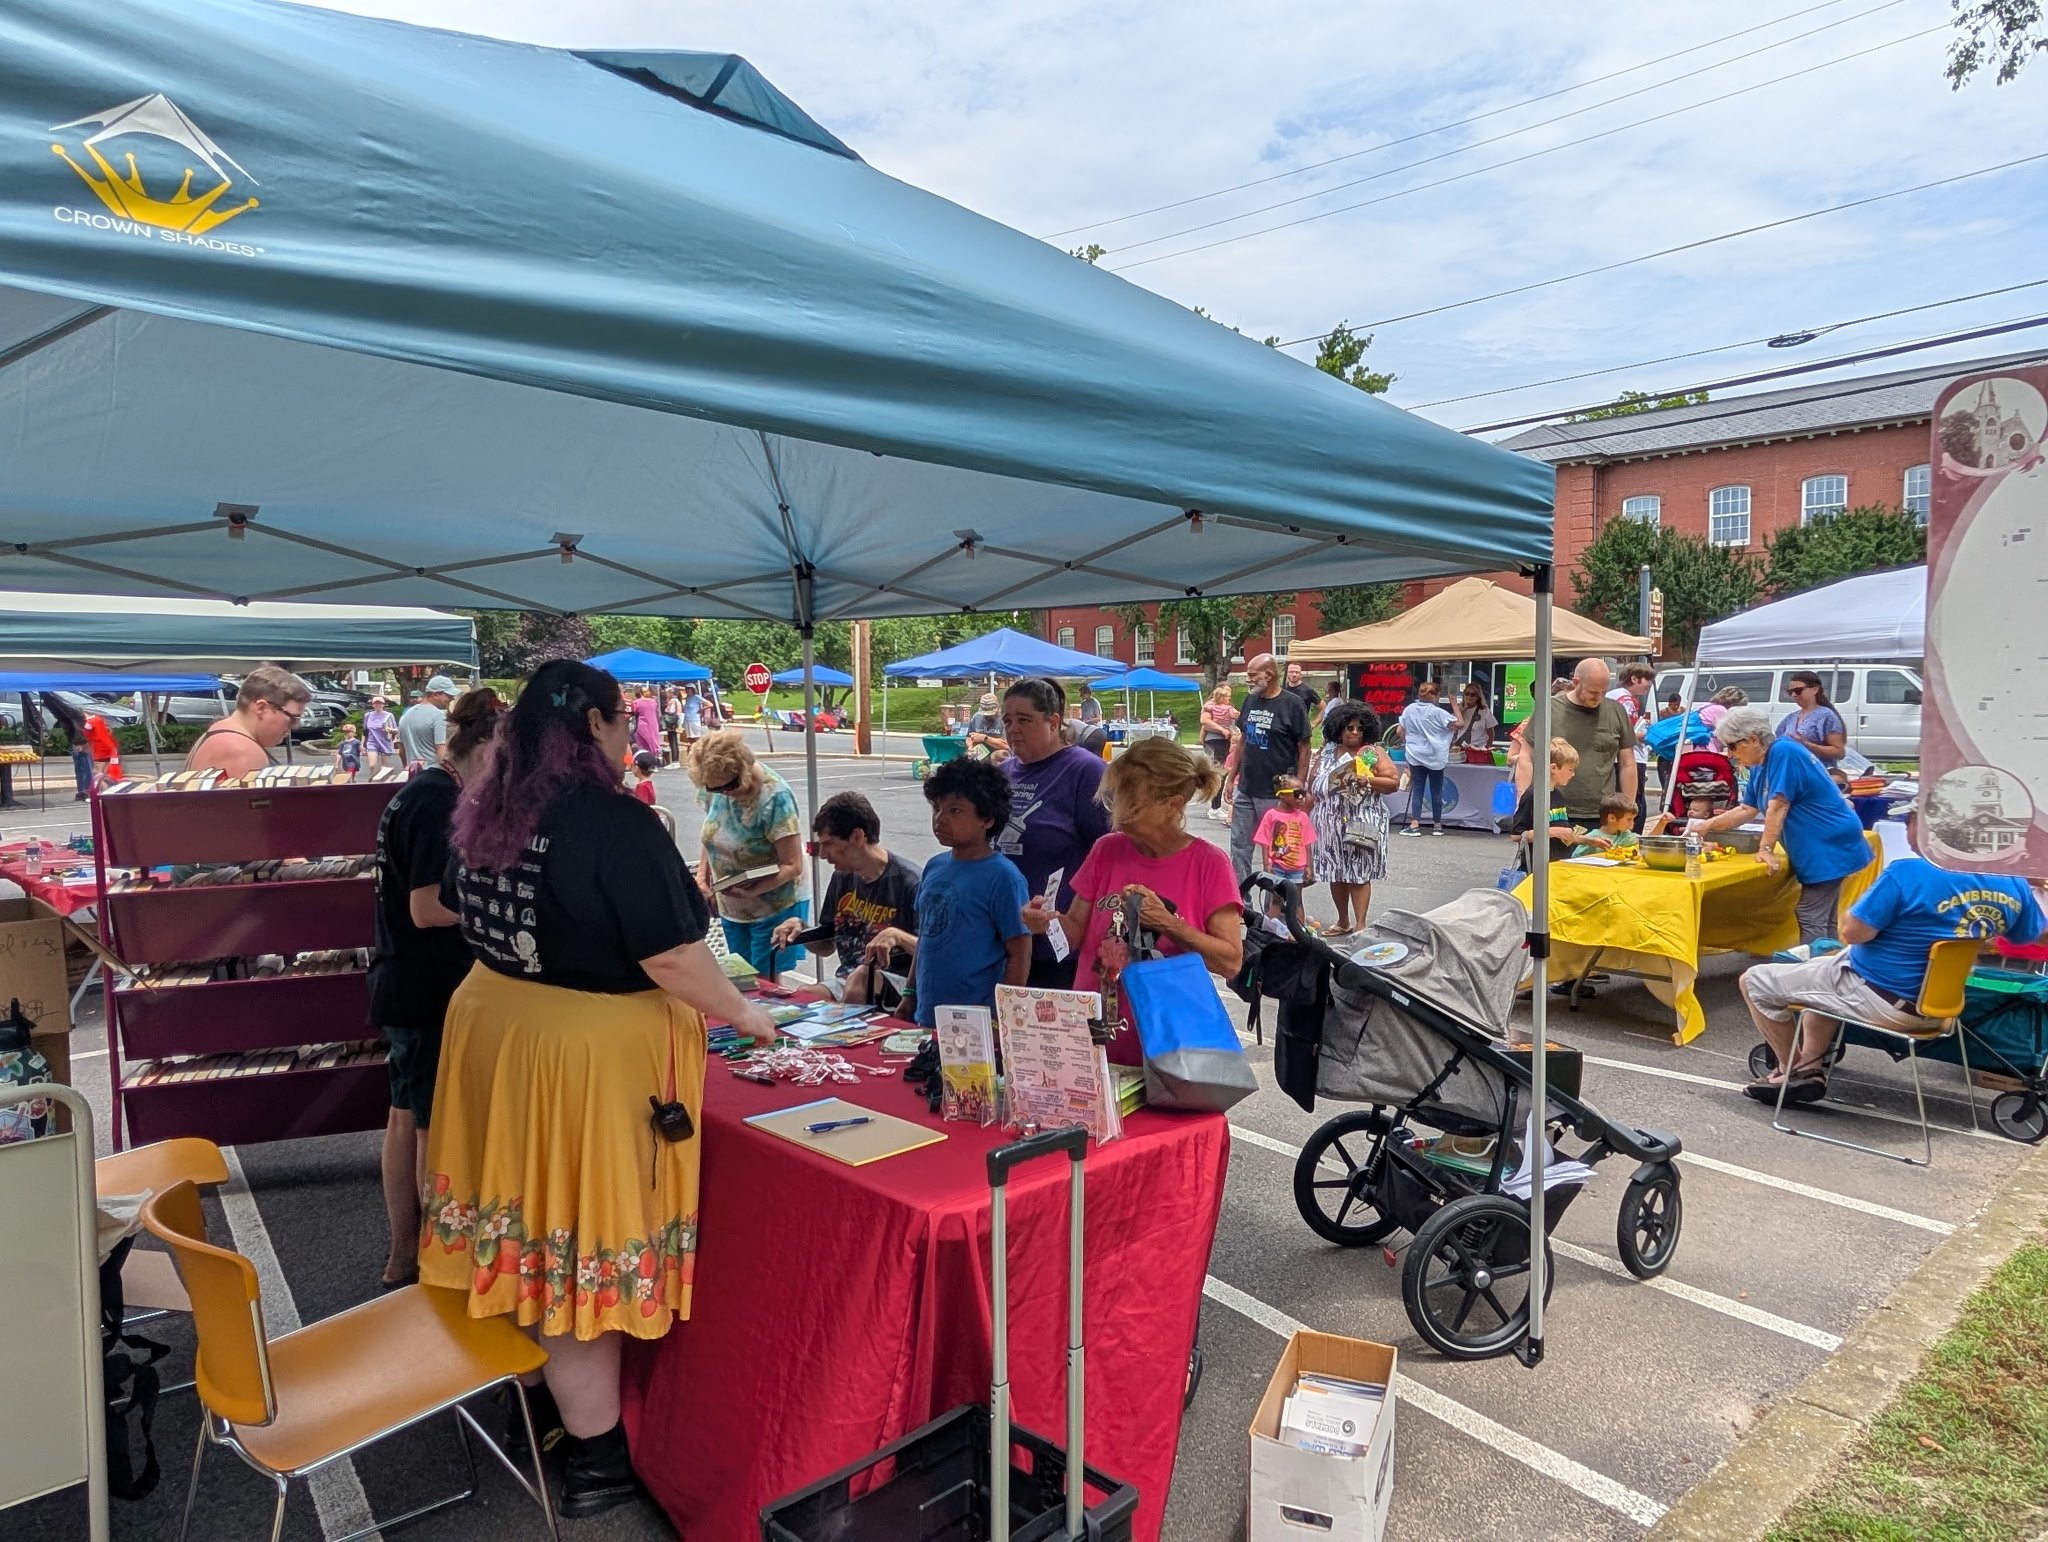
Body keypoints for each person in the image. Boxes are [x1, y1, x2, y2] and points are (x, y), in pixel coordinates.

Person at [424, 660, 778, 1517]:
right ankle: (597, 1457)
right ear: (592, 726)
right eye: (623, 722)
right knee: (576, 1245)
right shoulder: (617, 822)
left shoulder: (489, 806)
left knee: (524, 1228)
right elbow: (672, 956)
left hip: (497, 1028)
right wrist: (748, 1015)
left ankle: (536, 1400)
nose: (631, 738)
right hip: (577, 1055)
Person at [1737, 805, 2044, 1103]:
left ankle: (1790, 1071)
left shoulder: (1908, 872)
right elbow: (2028, 935)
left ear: (1928, 829)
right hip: (1942, 1006)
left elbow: (1853, 933)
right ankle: (1810, 1066)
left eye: (1910, 820)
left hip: (1880, 996)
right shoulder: (2011, 881)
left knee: (1754, 981)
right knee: (1824, 968)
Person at [370, 687, 503, 1293]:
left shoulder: (421, 791)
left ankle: (406, 1254)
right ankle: (428, 1258)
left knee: (406, 1117)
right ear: (488, 746)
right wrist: (492, 907)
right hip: (426, 982)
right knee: (428, 1125)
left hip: (406, 978)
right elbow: (427, 907)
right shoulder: (437, 801)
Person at [1022, 736, 1243, 1062]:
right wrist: (1045, 924)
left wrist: (1167, 923)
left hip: (1168, 1050)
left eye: (1132, 804)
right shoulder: (1107, 849)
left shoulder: (1209, 863)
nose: (1119, 815)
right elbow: (1074, 934)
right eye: (1115, 800)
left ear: (1173, 803)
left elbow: (1230, 962)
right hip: (1091, 1035)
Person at [1690, 705, 1873, 944]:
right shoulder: (1760, 763)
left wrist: (1766, 849)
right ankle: (1828, 967)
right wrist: (1706, 825)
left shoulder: (1784, 752)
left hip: (1828, 843)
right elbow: (1747, 809)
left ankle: (1812, 975)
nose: (1730, 754)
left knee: (1810, 913)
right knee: (1824, 916)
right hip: (1824, 843)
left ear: (1753, 739)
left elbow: (1778, 804)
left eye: (1733, 746)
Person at [993, 678, 1112, 988]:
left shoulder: (1085, 771)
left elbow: (1111, 853)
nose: (1013, 729)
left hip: (1058, 944)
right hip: (1004, 939)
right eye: (1007, 720)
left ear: (1054, 721)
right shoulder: (1003, 773)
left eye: (1024, 720)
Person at [895, 757, 1031, 1024]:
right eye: (937, 808)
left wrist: (1002, 1018)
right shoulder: (934, 867)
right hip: (927, 1014)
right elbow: (925, 936)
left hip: (977, 1021)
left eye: (955, 811)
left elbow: (1020, 951)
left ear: (988, 819)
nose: (940, 819)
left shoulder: (1004, 877)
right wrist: (910, 993)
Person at [771, 792, 921, 1003]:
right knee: (803, 996)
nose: (823, 854)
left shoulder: (910, 883)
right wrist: (801, 931)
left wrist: (898, 936)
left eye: (829, 843)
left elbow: (934, 953)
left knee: (859, 981)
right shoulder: (842, 877)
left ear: (858, 837)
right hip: (848, 978)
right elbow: (827, 946)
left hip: (902, 985)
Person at [688, 729, 808, 975]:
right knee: (741, 977)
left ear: (744, 766)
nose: (726, 793)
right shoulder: (717, 785)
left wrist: (756, 889)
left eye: (730, 785)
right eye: (716, 789)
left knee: (765, 981)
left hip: (773, 904)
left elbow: (793, 864)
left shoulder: (775, 797)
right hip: (732, 905)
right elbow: (712, 836)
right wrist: (703, 877)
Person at [1308, 702, 1400, 935]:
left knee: (1359, 873)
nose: (1355, 732)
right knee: (1335, 872)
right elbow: (1313, 783)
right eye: (1349, 727)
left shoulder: (1372, 753)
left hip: (1362, 820)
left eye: (1360, 728)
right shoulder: (1327, 751)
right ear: (1338, 728)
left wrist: (1367, 781)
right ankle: (1343, 921)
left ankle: (1360, 924)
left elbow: (1393, 783)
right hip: (1328, 821)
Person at [1229, 653, 1312, 882]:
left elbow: (1304, 747)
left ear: (1269, 674)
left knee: (1278, 852)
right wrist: (1231, 777)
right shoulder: (1250, 701)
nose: (1248, 679)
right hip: (1247, 787)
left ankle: (1275, 908)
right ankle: (1241, 905)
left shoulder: (1292, 704)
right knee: (1239, 847)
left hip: (1276, 792)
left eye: (1252, 675)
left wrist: (1299, 785)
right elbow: (1243, 740)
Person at [1550, 659, 1637, 828]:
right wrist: (1523, 800)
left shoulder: (1616, 710)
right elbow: (1527, 757)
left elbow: (1628, 764)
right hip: (1555, 810)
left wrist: (1627, 810)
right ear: (1576, 683)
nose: (1599, 697)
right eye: (1593, 691)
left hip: (1603, 813)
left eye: (1604, 691)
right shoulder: (1551, 709)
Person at [186, 664, 314, 776]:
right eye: (292, 718)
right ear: (261, 708)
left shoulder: (219, 731)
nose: (295, 726)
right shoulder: (241, 750)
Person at [1397, 681, 1456, 836]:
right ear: (1436, 696)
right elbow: (1459, 724)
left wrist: (1407, 741)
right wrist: (1454, 704)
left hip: (1415, 755)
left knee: (1418, 789)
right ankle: (1437, 825)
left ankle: (1415, 824)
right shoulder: (1438, 712)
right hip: (1436, 755)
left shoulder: (1409, 709)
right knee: (1436, 790)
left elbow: (1399, 731)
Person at [1512, 738, 1582, 869]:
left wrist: (1590, 841)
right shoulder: (1532, 795)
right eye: (1570, 769)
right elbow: (1517, 835)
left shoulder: (1557, 795)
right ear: (1554, 768)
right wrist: (1553, 831)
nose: (1573, 774)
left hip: (1558, 864)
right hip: (1537, 868)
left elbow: (1563, 834)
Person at [1253, 775, 1315, 912]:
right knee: (1276, 899)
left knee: (1297, 900)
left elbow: (1308, 842)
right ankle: (1272, 930)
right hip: (1277, 866)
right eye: (1297, 794)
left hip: (1297, 868)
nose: (1301, 798)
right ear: (1282, 796)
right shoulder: (1271, 815)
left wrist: (1308, 866)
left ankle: (1299, 931)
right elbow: (1264, 841)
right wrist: (1266, 863)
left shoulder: (1303, 817)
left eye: (1303, 794)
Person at [1609, 663, 1655, 824]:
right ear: (1634, 678)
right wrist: (1645, 735)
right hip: (1632, 757)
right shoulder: (1625, 699)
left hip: (1616, 757)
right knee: (1636, 802)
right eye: (1646, 680)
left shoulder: (1612, 695)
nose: (1649, 685)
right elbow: (1626, 732)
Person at [1777, 671, 1848, 763]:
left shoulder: (1826, 715)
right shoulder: (1791, 717)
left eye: (1798, 690)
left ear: (1815, 690)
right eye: (1790, 692)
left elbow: (1840, 752)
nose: (1794, 695)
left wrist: (1807, 745)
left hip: (1818, 772)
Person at [39, 692, 91, 801]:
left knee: (84, 768)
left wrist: (83, 743)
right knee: (82, 768)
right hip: (78, 742)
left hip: (81, 743)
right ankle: (83, 791)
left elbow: (82, 731)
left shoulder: (76, 716)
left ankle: (85, 791)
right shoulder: (74, 716)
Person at [1198, 685, 1238, 822]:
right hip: (1216, 740)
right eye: (1226, 693)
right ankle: (1215, 807)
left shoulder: (1226, 706)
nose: (1229, 695)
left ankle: (1216, 805)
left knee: (1223, 772)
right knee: (1220, 771)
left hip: (1225, 740)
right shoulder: (1211, 705)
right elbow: (1204, 721)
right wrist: (1222, 730)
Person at [399, 675, 456, 768]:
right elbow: (440, 748)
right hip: (433, 773)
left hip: (414, 774)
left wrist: (407, 769)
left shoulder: (406, 715)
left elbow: (401, 751)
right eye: (449, 695)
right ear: (435, 695)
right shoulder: (438, 716)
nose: (452, 698)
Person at [1572, 792, 1642, 858]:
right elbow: (1574, 858)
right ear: (1612, 818)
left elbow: (1643, 841)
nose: (1632, 823)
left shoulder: (1625, 835)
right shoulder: (1593, 839)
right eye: (1629, 819)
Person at [1453, 682, 1497, 765]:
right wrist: (1464, 709)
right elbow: (1453, 725)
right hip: (1460, 750)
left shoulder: (1484, 711)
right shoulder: (1459, 709)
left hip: (1477, 751)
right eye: (1467, 694)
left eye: (1472, 695)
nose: (1469, 697)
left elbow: (1491, 732)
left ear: (1478, 697)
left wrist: (1487, 748)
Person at [964, 691, 1007, 759]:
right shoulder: (976, 717)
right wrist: (970, 747)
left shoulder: (1004, 719)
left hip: (999, 759)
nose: (988, 716)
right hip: (979, 757)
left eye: (990, 714)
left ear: (998, 708)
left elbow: (1006, 745)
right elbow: (969, 737)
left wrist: (985, 738)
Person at [362, 694, 398, 771]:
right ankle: (372, 781)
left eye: (380, 703)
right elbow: (365, 731)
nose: (378, 704)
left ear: (383, 704)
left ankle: (383, 782)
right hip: (372, 742)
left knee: (385, 768)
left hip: (385, 742)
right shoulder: (368, 715)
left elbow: (396, 730)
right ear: (372, 704)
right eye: (375, 703)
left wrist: (390, 730)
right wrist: (362, 745)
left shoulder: (389, 715)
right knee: (372, 765)